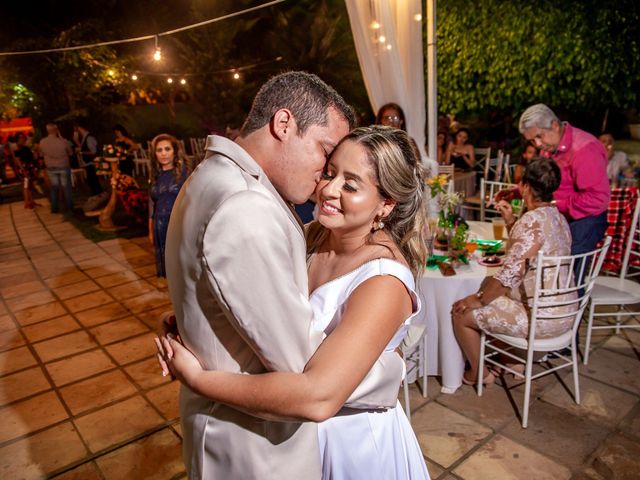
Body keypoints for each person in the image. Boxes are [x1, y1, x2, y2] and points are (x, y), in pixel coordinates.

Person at [159, 72, 405, 479]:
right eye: (325, 153)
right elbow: (308, 373)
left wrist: (192, 320)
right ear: (284, 124)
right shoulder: (246, 206)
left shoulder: (207, 177)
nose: (325, 176)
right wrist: (389, 371)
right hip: (255, 446)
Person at [452, 158, 575, 385]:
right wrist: (510, 221)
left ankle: (479, 374)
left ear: (526, 186)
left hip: (540, 317)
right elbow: (530, 250)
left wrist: (477, 300)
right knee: (496, 300)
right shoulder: (559, 218)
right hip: (566, 313)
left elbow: (510, 274)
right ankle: (511, 361)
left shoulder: (531, 220)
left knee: (461, 311)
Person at [517, 104, 610, 260]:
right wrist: (517, 191)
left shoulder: (585, 149)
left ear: (554, 125)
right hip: (560, 217)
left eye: (539, 136)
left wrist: (554, 204)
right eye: (533, 140)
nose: (538, 144)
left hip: (584, 221)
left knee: (565, 277)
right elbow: (543, 181)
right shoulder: (549, 145)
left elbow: (598, 199)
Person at [148, 134, 190, 277]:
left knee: (182, 266)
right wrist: (150, 229)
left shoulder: (184, 174)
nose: (164, 153)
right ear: (155, 154)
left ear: (175, 151)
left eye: (167, 149)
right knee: (169, 269)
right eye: (159, 150)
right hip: (160, 225)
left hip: (178, 225)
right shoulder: (155, 175)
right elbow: (152, 205)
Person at [39, 125, 75, 213]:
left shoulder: (42, 142)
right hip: (63, 165)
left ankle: (54, 208)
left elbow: (40, 154)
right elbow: (70, 153)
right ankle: (70, 207)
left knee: (54, 188)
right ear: (57, 130)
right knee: (66, 187)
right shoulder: (63, 141)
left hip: (51, 167)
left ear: (47, 131)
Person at [73, 122, 103, 196]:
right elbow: (83, 147)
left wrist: (82, 153)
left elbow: (93, 152)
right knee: (91, 180)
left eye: (75, 129)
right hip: (87, 162)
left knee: (93, 180)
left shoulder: (89, 137)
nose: (75, 132)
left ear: (79, 128)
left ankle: (98, 194)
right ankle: (97, 194)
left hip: (91, 162)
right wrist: (76, 141)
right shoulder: (84, 137)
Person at [13, 132, 40, 209]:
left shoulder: (26, 148)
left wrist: (35, 151)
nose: (22, 139)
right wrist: (23, 170)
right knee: (26, 186)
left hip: (29, 168)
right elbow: (18, 161)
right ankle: (27, 202)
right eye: (20, 138)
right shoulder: (17, 148)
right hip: (24, 169)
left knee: (30, 185)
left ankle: (31, 201)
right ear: (17, 139)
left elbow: (33, 157)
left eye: (23, 138)